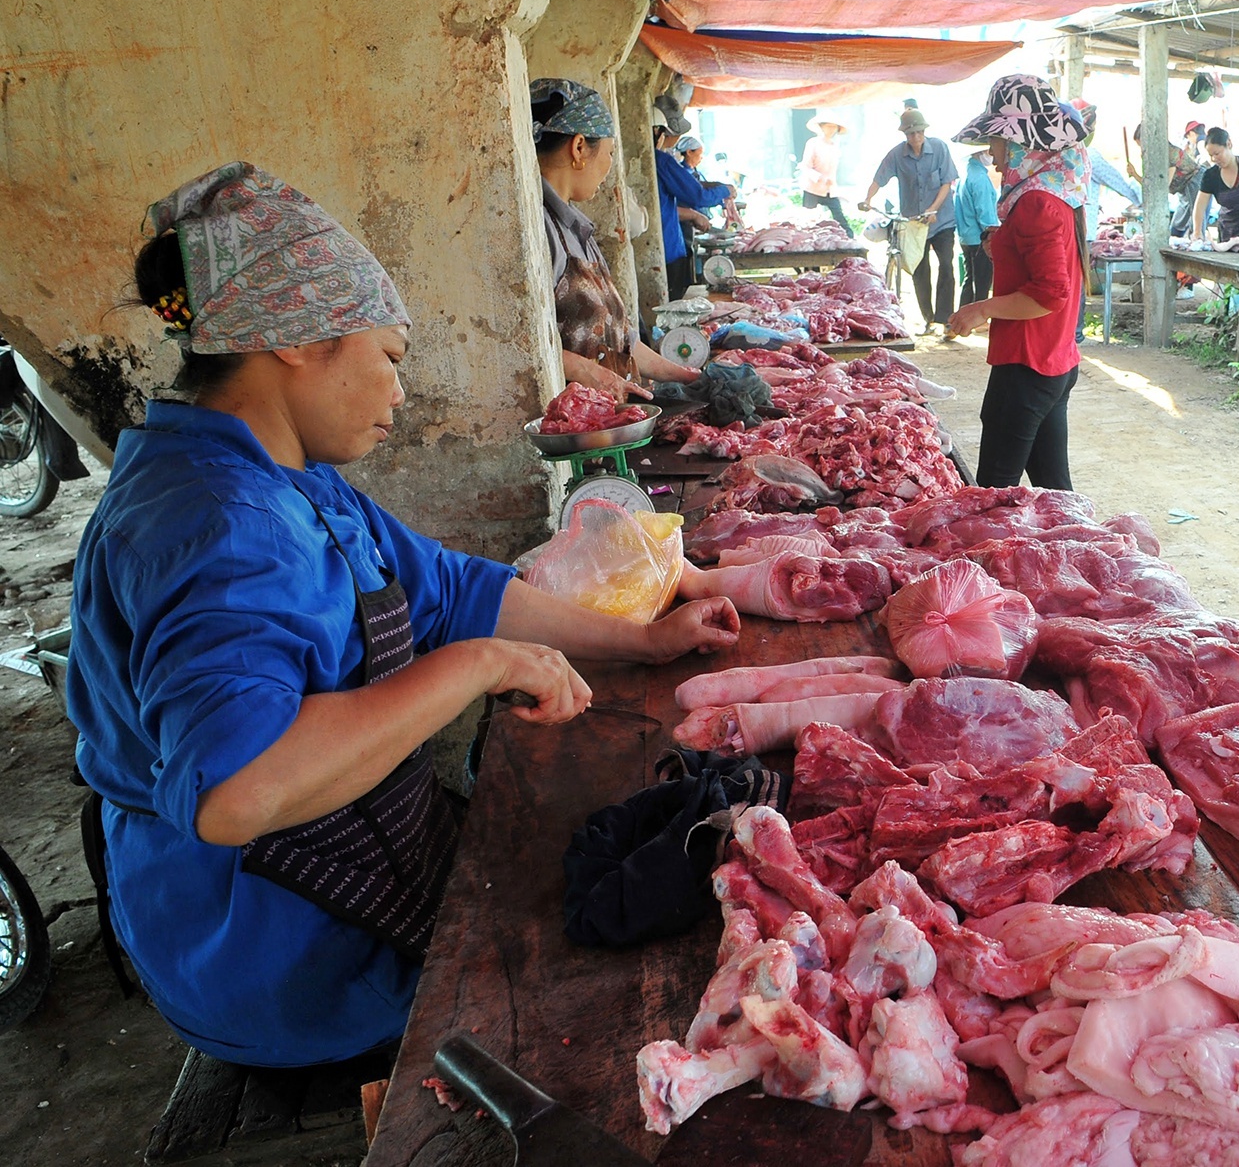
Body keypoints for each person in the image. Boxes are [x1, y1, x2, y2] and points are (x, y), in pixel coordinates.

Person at [68, 163, 741, 1067]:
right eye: (386, 357)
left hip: (354, 871)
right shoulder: (224, 523)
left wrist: (647, 640)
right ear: (299, 342)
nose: (398, 391)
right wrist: (476, 666)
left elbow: (455, 588)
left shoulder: (291, 480)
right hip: (281, 956)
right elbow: (236, 790)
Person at [948, 75, 1089, 490]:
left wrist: (982, 308)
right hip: (1053, 359)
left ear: (1021, 142)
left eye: (995, 141)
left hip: (1027, 364)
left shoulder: (1036, 203)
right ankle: (1079, 551)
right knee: (1055, 491)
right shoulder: (1056, 192)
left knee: (993, 491)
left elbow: (1050, 294)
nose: (990, 153)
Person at [529, 80, 698, 396]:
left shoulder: (578, 231)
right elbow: (526, 341)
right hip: (580, 425)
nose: (609, 168)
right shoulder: (539, 230)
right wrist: (585, 371)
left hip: (616, 418)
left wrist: (684, 375)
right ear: (579, 148)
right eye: (609, 152)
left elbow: (622, 338)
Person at [860, 108, 960, 333]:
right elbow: (879, 179)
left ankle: (946, 320)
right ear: (905, 135)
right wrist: (867, 198)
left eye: (919, 132)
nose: (916, 138)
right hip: (913, 223)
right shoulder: (896, 154)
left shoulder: (940, 149)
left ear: (925, 131)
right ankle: (928, 318)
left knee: (946, 266)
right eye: (911, 134)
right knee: (919, 269)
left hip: (941, 220)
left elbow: (947, 182)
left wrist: (933, 209)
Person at [653, 106, 733, 300]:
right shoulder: (661, 161)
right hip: (668, 248)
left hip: (660, 248)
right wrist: (725, 191)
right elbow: (696, 195)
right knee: (674, 301)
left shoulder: (654, 161)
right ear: (658, 132)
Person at [1066, 99, 1142, 236]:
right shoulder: (1089, 155)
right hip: (1082, 227)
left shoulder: (1060, 152)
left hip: (1065, 224)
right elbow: (1115, 180)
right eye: (1093, 127)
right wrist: (1139, 202)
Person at [1125, 123, 1205, 239]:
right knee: (1177, 225)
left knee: (1196, 223)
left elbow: (1162, 187)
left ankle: (1197, 245)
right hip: (1183, 189)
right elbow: (1151, 185)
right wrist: (1135, 174)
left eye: (1142, 146)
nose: (1142, 150)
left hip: (1194, 181)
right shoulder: (1152, 157)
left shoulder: (1167, 153)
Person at [1192, 126, 1239, 242]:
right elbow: (1199, 206)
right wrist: (1197, 232)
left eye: (1217, 153)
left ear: (1228, 144)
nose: (1214, 159)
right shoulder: (1210, 176)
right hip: (1226, 231)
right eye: (1211, 155)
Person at [954, 148, 1000, 313]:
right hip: (980, 237)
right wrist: (993, 235)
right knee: (982, 280)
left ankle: (961, 315)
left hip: (965, 236)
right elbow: (985, 213)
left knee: (969, 278)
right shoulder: (980, 178)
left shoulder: (966, 175)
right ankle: (977, 318)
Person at [799, 112, 852, 233]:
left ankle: (850, 240)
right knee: (808, 221)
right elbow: (805, 166)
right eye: (828, 126)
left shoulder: (834, 147)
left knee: (840, 218)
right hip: (812, 189)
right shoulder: (812, 143)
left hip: (830, 190)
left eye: (834, 127)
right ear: (821, 127)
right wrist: (820, 178)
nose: (831, 130)